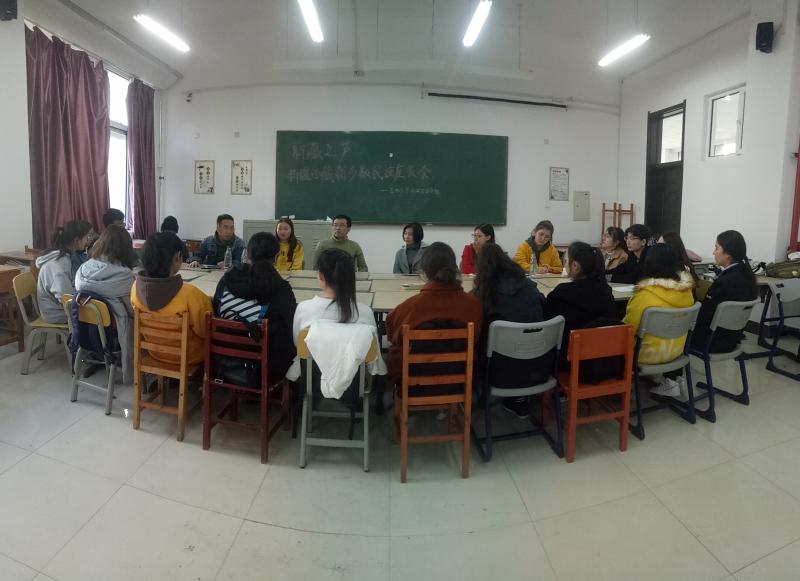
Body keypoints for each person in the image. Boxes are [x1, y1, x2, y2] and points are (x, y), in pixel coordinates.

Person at [387, 242, 483, 386]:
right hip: (459, 381)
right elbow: (477, 338)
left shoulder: (410, 307)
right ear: (454, 267)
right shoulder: (473, 304)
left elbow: (391, 333)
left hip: (414, 383)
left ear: (425, 271)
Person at [472, 242, 546, 418]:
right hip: (538, 367)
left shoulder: (483, 294)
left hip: (499, 372)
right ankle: (519, 399)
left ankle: (477, 396)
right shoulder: (528, 285)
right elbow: (543, 305)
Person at [213, 232, 297, 380]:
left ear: (248, 254)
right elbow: (291, 327)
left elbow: (215, 310)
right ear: (276, 257)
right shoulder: (281, 289)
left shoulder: (227, 280)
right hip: (262, 369)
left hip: (222, 359)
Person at [623, 243, 695, 397]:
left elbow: (628, 328)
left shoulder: (644, 294)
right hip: (677, 351)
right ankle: (671, 380)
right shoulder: (687, 291)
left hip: (646, 355)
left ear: (648, 263)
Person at [131, 231, 212, 365]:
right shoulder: (190, 294)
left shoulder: (135, 288)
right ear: (178, 257)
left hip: (155, 352)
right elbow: (207, 331)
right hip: (189, 357)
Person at [74, 224, 138, 383]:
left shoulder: (82, 270)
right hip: (111, 332)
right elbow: (132, 310)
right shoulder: (125, 276)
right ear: (126, 249)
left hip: (84, 328)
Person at [544, 241, 617, 363]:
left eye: (566, 260)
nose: (564, 264)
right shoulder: (606, 291)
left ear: (575, 266)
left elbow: (548, 327)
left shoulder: (562, 293)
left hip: (570, 360)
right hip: (603, 358)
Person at [691, 230, 758, 354]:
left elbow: (703, 316)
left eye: (716, 248)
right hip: (732, 339)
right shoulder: (747, 276)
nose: (713, 252)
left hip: (711, 341)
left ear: (727, 254)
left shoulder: (725, 281)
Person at [36, 220, 93, 324]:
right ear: (77, 240)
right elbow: (65, 298)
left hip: (61, 307)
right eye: (87, 237)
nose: (88, 240)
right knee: (99, 314)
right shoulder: (57, 265)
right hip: (56, 313)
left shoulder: (67, 257)